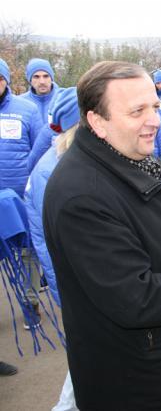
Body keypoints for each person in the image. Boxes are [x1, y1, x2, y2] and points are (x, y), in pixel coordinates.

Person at [42, 61, 161, 411]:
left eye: (155, 107)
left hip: (160, 367)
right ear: (98, 122)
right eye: (137, 111)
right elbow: (134, 298)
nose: (155, 121)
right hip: (132, 384)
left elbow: (160, 222)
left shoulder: (132, 157)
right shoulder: (82, 196)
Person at [25, 86, 80, 411]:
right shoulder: (53, 171)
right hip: (76, 288)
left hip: (80, 286)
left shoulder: (64, 161)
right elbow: (53, 246)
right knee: (88, 362)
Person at [0, 58, 40, 197]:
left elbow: (39, 150)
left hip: (18, 192)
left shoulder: (28, 109)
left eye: (0, 78)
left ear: (6, 80)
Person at [23, 59, 60, 171]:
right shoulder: (21, 103)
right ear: (30, 79)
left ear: (51, 77)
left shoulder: (63, 100)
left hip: (59, 165)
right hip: (31, 167)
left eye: (46, 76)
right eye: (36, 77)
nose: (42, 81)